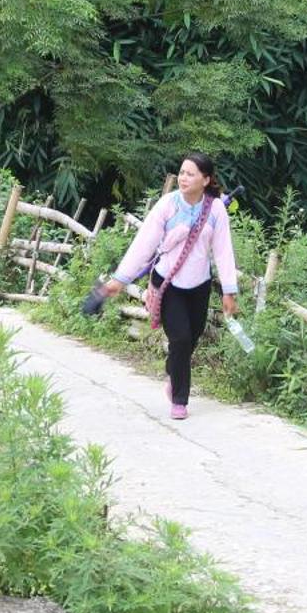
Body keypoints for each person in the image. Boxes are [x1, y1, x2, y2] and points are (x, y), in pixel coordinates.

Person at [97, 154, 239, 421]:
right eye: (182, 173)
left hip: (199, 285)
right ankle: (179, 399)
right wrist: (120, 278)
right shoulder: (168, 204)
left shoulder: (216, 208)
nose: (183, 178)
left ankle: (174, 369)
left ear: (206, 180)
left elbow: (223, 251)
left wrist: (229, 291)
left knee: (192, 336)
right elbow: (144, 243)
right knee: (181, 338)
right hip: (168, 284)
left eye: (190, 174)